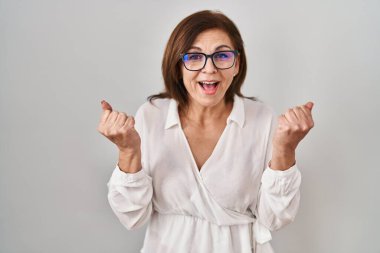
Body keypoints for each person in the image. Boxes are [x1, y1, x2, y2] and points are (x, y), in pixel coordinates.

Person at [97, 10, 314, 253]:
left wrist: (286, 149)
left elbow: (275, 218)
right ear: (178, 65)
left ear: (237, 64)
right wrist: (127, 150)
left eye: (221, 55)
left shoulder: (261, 118)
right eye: (194, 56)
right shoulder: (151, 115)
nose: (209, 68)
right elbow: (132, 216)